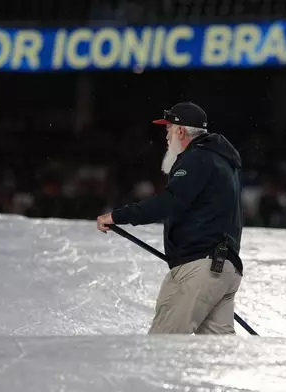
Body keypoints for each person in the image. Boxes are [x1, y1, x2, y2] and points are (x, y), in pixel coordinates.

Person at [96, 101, 244, 335]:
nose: (166, 137)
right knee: (217, 356)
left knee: (164, 347)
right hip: (224, 268)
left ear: (180, 131)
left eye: (168, 129)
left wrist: (118, 216)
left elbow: (169, 201)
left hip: (199, 268)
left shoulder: (197, 158)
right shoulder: (222, 160)